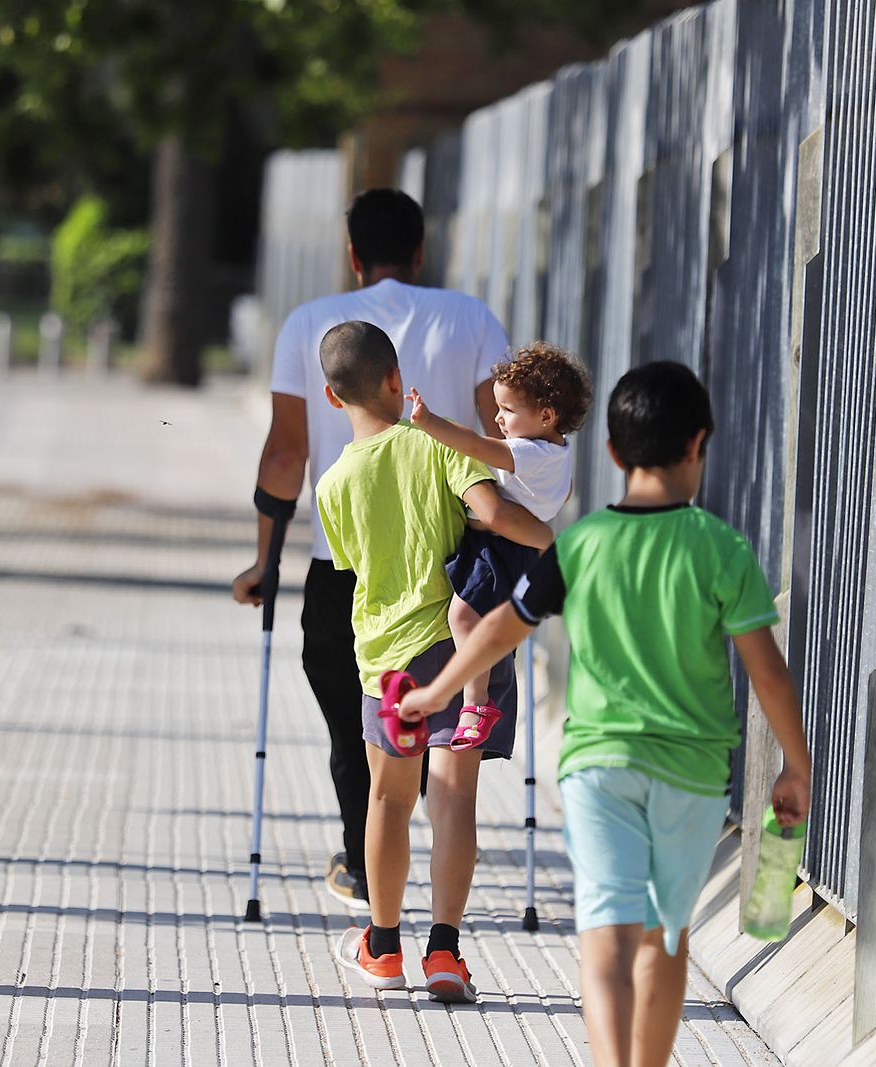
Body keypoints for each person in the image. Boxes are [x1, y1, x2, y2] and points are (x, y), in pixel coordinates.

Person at [399, 361, 813, 1065]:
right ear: (698, 445)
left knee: (606, 932)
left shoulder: (583, 542)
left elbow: (502, 625)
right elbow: (766, 670)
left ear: (615, 454)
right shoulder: (722, 548)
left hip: (595, 769)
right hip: (689, 770)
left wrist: (437, 693)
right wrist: (796, 766)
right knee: (662, 933)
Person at [231, 189, 512, 909]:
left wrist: (265, 557)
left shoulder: (308, 325)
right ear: (421, 251)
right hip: (454, 571)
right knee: (443, 718)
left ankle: (365, 859)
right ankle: (411, 863)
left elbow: (287, 452)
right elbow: (498, 437)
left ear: (352, 256)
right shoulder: (472, 318)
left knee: (355, 713)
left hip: (346, 565)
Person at [310, 320, 552, 1003]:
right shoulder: (439, 446)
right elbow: (489, 510)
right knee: (453, 798)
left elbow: (353, 564)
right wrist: (551, 543)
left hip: (385, 660)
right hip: (462, 645)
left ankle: (382, 946)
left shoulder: (331, 486)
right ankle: (444, 949)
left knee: (387, 799)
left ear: (332, 399)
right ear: (396, 379)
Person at [406, 341, 590, 749]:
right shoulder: (559, 450)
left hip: (501, 550)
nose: (499, 419)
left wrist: (429, 421)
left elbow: (475, 444)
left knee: (464, 619)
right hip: (511, 547)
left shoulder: (529, 452)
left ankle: (475, 703)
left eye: (507, 411)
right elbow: (564, 491)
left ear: (546, 415)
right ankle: (475, 700)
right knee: (474, 618)